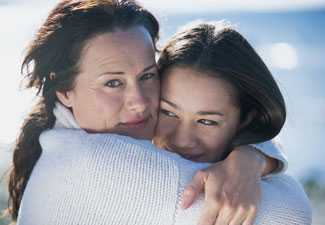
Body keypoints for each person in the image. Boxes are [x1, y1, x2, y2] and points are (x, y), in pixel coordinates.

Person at [6, 0, 310, 225]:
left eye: (148, 76)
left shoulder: (62, 142)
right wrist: (253, 159)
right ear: (64, 90)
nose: (139, 102)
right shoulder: (99, 165)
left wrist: (252, 157)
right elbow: (292, 215)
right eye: (113, 83)